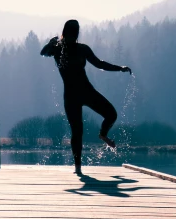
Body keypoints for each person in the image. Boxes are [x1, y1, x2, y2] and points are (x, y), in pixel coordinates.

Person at [41, 20, 131, 175]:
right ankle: (78, 168)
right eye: (69, 33)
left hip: (87, 91)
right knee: (77, 131)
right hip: (70, 96)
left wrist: (119, 68)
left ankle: (103, 134)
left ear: (76, 34)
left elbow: (99, 64)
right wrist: (51, 43)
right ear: (65, 33)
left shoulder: (82, 49)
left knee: (111, 114)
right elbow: (43, 53)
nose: (71, 36)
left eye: (74, 33)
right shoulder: (57, 49)